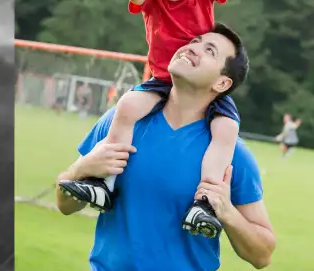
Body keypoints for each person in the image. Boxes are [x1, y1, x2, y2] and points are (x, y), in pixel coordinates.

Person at [60, 0, 242, 239]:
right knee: (126, 106)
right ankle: (104, 184)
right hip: (162, 80)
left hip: (198, 88)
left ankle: (203, 202)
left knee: (225, 130)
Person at [56, 25, 276, 270]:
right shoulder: (120, 122)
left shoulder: (231, 155)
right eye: (194, 41)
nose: (192, 48)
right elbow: (65, 205)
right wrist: (80, 169)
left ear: (222, 83)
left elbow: (262, 256)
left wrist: (227, 212)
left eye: (209, 50)